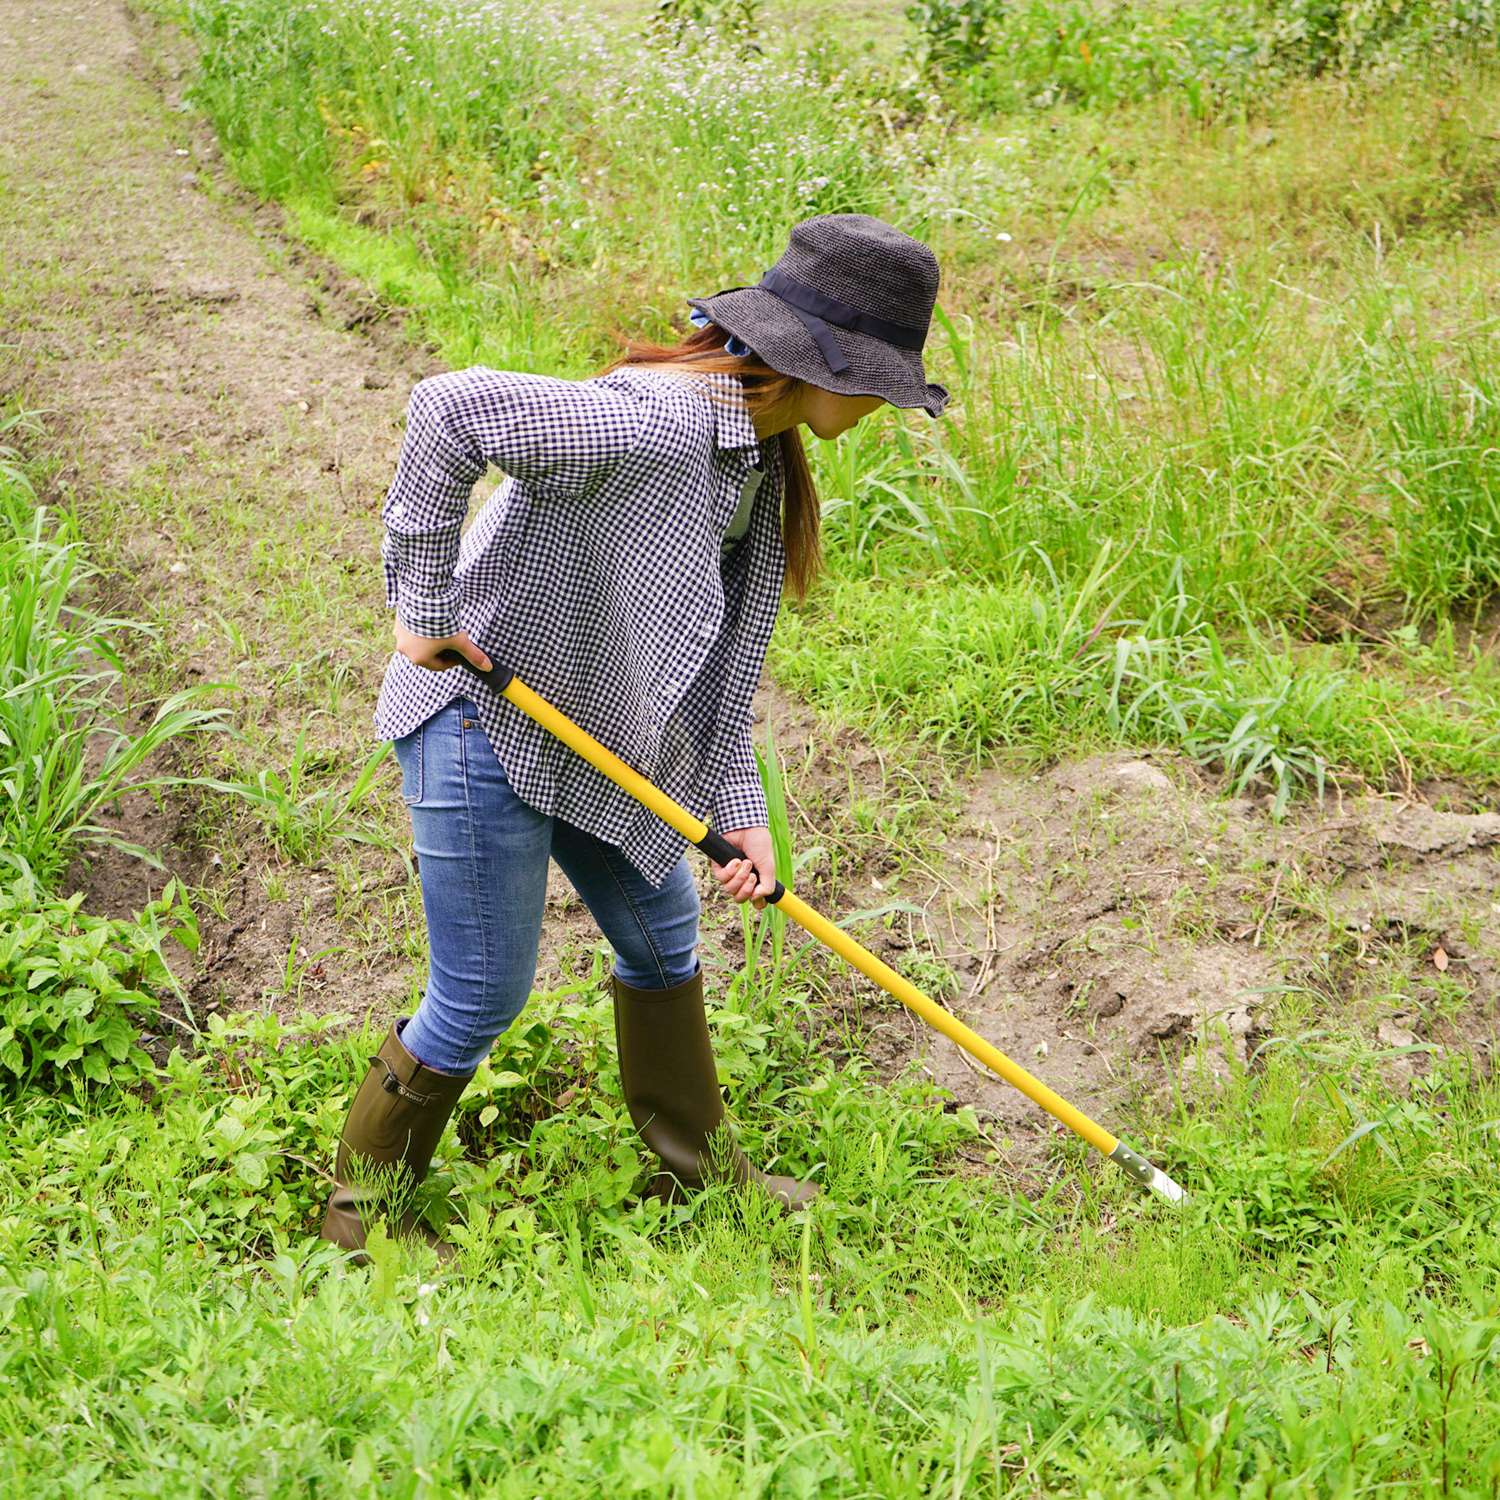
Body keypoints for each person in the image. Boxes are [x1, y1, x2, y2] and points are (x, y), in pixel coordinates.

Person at [320, 213, 951, 1261]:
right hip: (484, 717)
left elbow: (717, 662)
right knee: (481, 993)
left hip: (594, 736)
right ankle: (359, 1223)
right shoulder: (659, 419)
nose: (884, 404)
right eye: (880, 381)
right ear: (820, 362)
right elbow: (448, 409)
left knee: (662, 940)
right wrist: (423, 607)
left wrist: (740, 812)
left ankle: (693, 1172)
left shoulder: (758, 454)